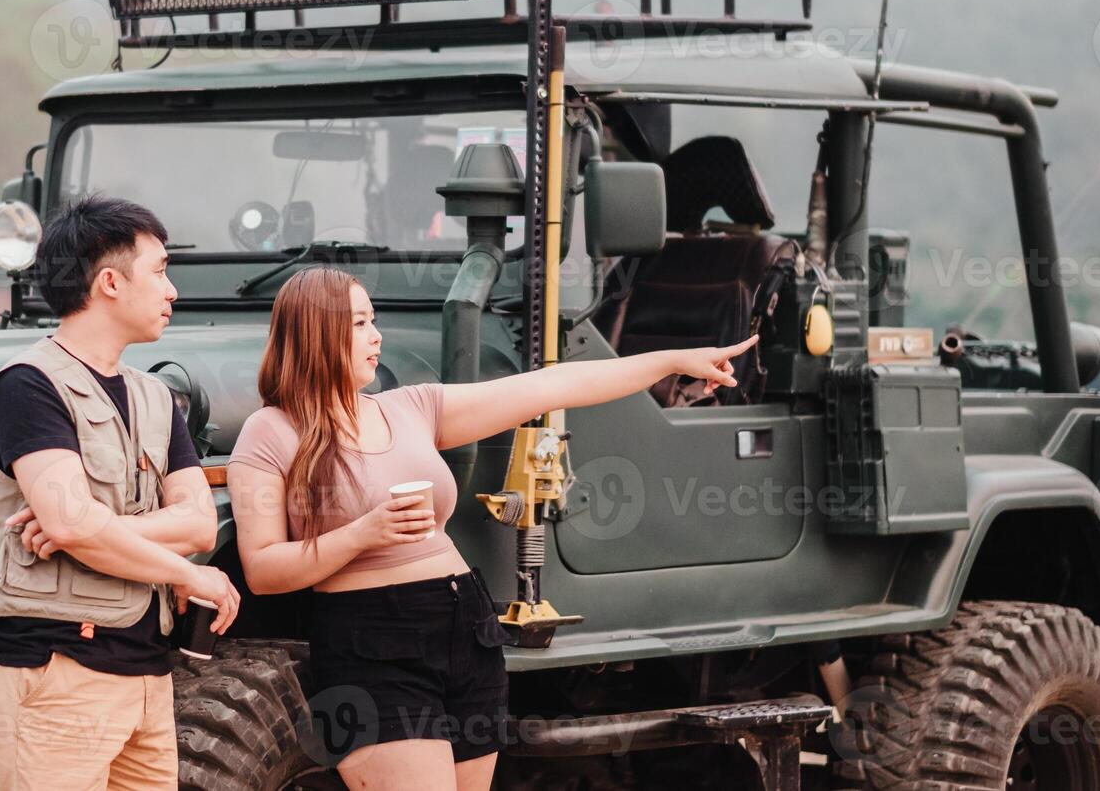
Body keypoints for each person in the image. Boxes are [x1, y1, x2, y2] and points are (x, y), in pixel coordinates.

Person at [227, 265, 755, 790]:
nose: (376, 335)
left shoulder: (411, 407)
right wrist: (362, 533)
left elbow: (552, 384)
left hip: (465, 627)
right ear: (317, 334)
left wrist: (671, 362)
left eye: (374, 320)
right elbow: (263, 570)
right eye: (360, 323)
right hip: (373, 643)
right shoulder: (270, 432)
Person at [0, 194, 241, 790]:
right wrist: (191, 575)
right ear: (111, 282)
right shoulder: (28, 386)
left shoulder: (156, 398)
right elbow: (74, 525)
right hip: (60, 668)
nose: (172, 291)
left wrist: (85, 526)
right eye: (161, 270)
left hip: (148, 676)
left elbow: (198, 523)